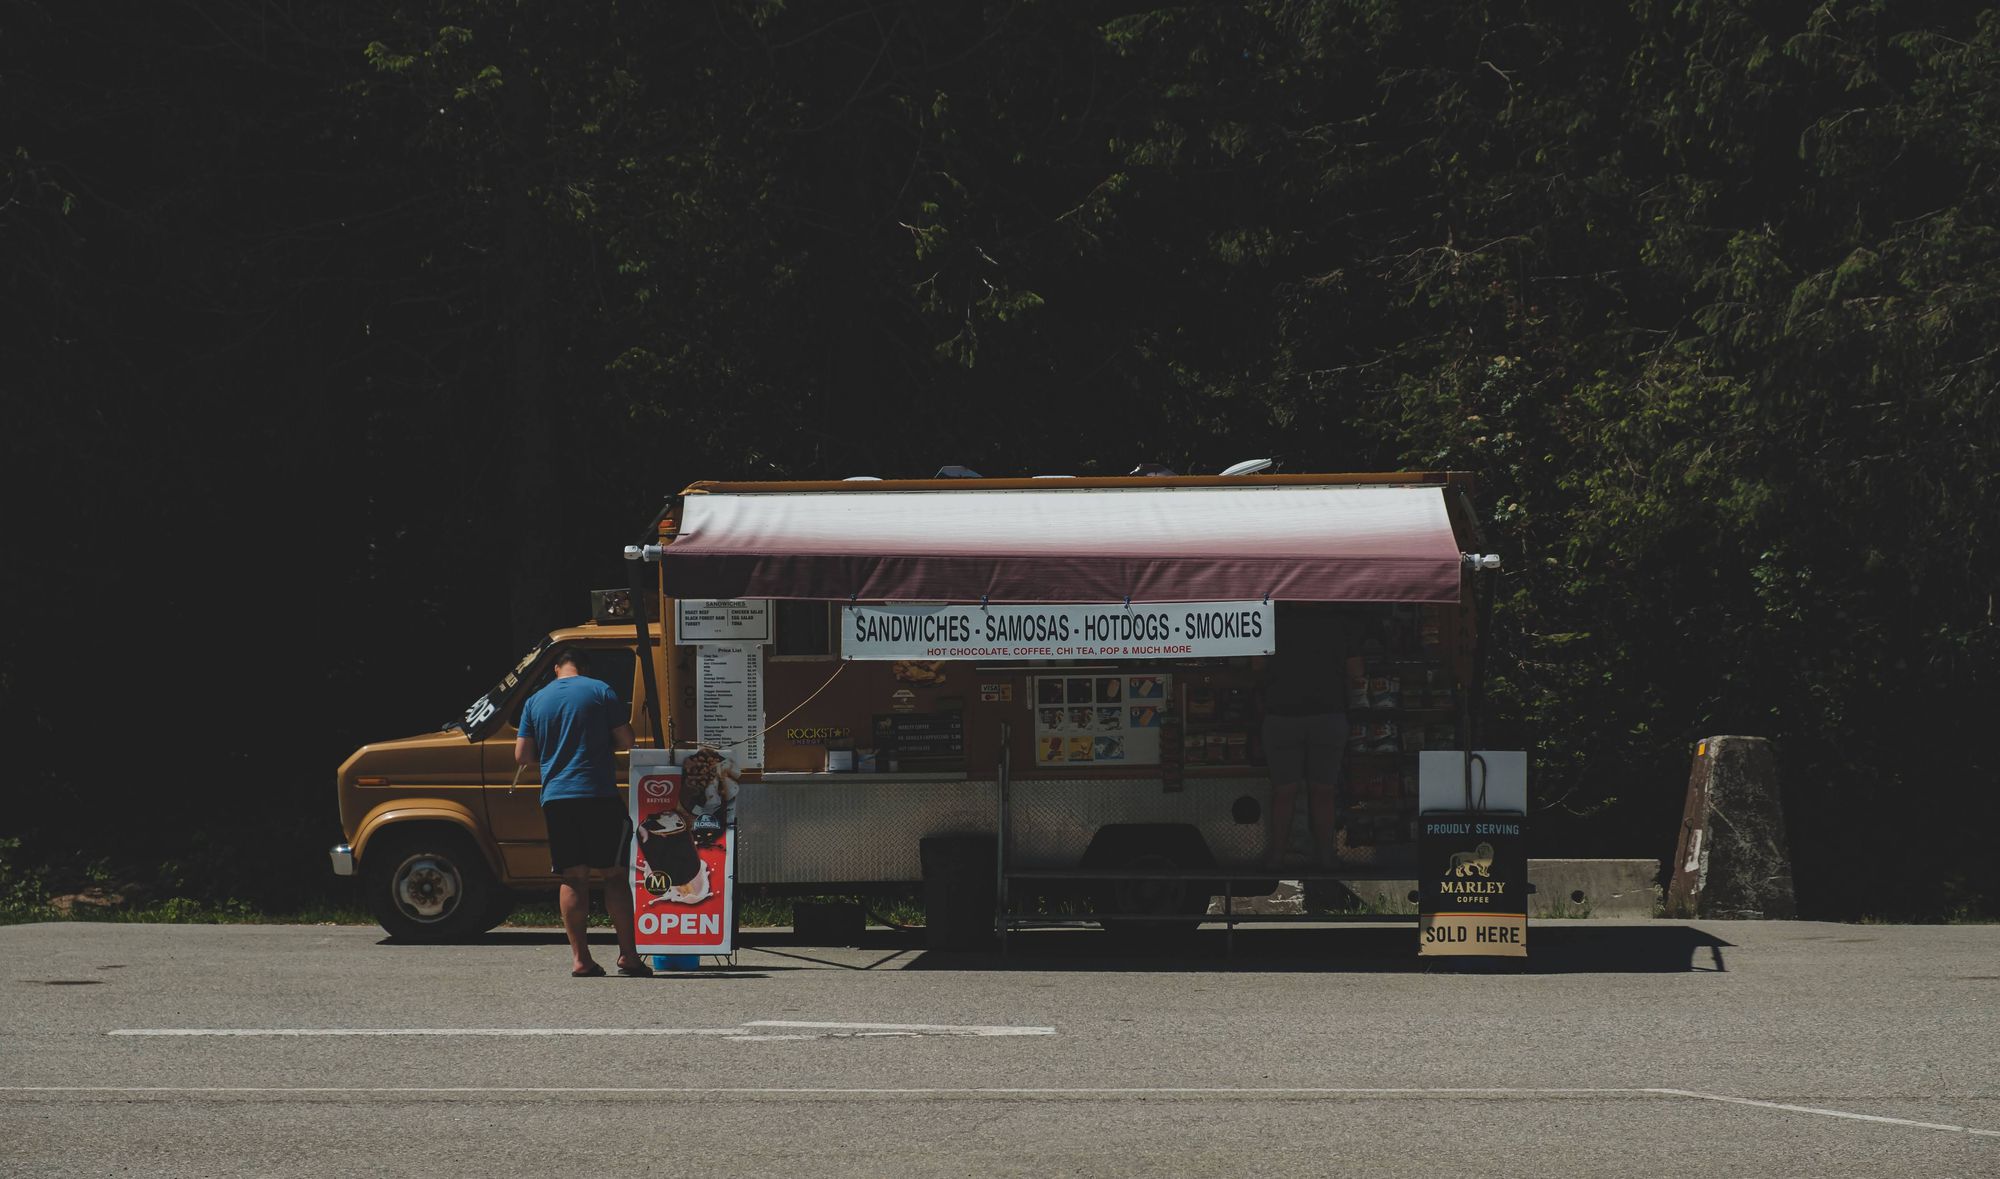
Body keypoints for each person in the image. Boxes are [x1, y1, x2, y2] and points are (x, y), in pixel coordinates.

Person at [516, 646, 648, 977]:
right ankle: (628, 957)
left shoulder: (535, 700)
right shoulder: (600, 690)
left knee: (573, 877)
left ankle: (581, 959)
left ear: (556, 669)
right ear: (583, 668)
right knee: (614, 875)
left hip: (557, 799)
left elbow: (523, 756)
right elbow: (627, 740)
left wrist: (554, 752)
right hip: (598, 794)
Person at [1259, 603, 1359, 872]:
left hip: (1281, 715)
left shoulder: (1273, 618)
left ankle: (1277, 857)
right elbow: (1356, 672)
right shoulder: (1340, 621)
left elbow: (1257, 664)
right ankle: (1326, 858)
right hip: (1328, 714)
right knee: (1324, 792)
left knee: (1283, 792)